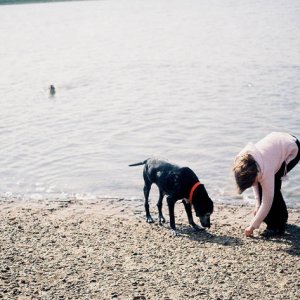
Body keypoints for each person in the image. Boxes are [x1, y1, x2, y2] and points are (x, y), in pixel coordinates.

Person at [233, 132, 300, 237]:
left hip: (292, 148)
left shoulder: (266, 170)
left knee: (273, 189)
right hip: (277, 143)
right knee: (262, 186)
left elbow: (267, 202)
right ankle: (282, 217)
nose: (253, 185)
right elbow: (255, 184)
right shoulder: (241, 161)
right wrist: (257, 205)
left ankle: (276, 226)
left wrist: (252, 226)